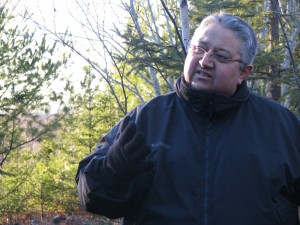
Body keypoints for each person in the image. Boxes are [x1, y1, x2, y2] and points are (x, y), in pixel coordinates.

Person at [75, 12, 300, 225]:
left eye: (220, 56)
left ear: (243, 72)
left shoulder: (281, 127)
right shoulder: (146, 119)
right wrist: (114, 169)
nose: (205, 61)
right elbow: (92, 198)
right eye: (199, 49)